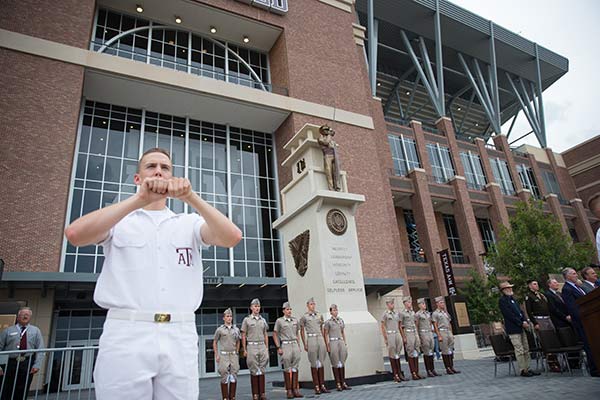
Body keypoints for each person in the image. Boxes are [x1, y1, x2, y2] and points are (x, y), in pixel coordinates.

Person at [64, 147, 242, 399]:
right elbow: (74, 234)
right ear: (138, 178)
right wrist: (140, 199)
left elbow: (232, 236)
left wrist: (191, 197)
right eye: (151, 166)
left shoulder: (188, 223)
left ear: (172, 178)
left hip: (179, 333)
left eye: (165, 167)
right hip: (127, 332)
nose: (159, 170)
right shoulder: (119, 220)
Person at [0, 307, 45, 400]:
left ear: (30, 317)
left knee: (23, 388)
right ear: (18, 317)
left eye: (27, 315)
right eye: (23, 314)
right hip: (10, 363)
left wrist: (37, 365)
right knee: (6, 388)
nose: (25, 316)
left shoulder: (35, 331)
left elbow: (40, 349)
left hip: (27, 362)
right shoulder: (8, 331)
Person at [561, 268, 598, 376]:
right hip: (583, 323)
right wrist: (585, 318)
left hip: (590, 321)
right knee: (589, 345)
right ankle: (594, 369)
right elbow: (573, 308)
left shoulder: (577, 287)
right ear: (567, 276)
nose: (576, 275)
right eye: (573, 274)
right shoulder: (567, 289)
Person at [498, 282, 539, 377]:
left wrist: (525, 320)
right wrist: (521, 323)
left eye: (510, 287)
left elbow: (521, 312)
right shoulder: (503, 301)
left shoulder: (513, 299)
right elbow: (509, 315)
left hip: (522, 327)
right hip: (513, 328)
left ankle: (528, 367)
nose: (510, 289)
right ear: (503, 290)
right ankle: (522, 370)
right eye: (508, 288)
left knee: (526, 348)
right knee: (519, 349)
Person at [524, 280, 559, 372]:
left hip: (548, 318)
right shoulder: (529, 296)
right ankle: (552, 363)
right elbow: (529, 311)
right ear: (529, 286)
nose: (537, 285)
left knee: (552, 340)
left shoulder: (541, 295)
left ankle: (556, 360)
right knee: (546, 341)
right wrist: (535, 323)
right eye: (534, 284)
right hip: (539, 319)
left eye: (537, 284)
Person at [273, 302, 303, 399]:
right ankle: (289, 390)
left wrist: (299, 345)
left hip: (294, 344)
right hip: (285, 344)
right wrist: (278, 347)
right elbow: (275, 334)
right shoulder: (279, 321)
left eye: (290, 309)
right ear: (283, 311)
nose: (289, 311)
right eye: (287, 309)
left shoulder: (295, 320)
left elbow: (297, 333)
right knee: (287, 368)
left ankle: (295, 389)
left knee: (295, 367)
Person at [299, 297, 329, 394]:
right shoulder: (304, 317)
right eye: (311, 304)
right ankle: (316, 385)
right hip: (311, 338)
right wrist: (305, 343)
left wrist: (325, 341)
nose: (313, 306)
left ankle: (322, 385)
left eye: (314, 304)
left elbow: (321, 327)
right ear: (307, 305)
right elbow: (302, 330)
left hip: (320, 337)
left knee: (321, 362)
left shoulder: (319, 315)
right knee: (313, 362)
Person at [242, 299, 270, 400]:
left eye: (258, 306)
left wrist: (266, 348)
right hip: (252, 346)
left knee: (262, 369)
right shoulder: (247, 320)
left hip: (262, 345)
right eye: (255, 306)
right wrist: (244, 349)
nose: (257, 308)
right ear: (251, 308)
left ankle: (262, 393)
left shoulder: (263, 320)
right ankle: (255, 394)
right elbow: (244, 335)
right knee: (254, 370)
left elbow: (265, 334)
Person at [213, 308, 241, 400]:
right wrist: (216, 354)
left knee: (234, 375)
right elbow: (215, 342)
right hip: (224, 355)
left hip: (233, 354)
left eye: (230, 316)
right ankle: (225, 397)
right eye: (227, 316)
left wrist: (237, 352)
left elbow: (238, 341)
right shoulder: (220, 330)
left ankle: (232, 397)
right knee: (224, 375)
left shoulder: (236, 329)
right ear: (223, 318)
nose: (229, 318)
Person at [324, 304, 351, 391]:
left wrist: (345, 342)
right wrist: (327, 344)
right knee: (335, 362)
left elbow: (342, 331)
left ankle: (343, 382)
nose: (335, 311)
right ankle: (338, 383)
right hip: (333, 341)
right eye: (333, 310)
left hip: (340, 340)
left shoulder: (341, 320)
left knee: (342, 361)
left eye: (336, 310)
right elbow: (326, 333)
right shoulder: (328, 322)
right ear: (331, 312)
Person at [379, 297, 406, 383]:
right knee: (392, 354)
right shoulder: (385, 314)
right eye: (391, 303)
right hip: (390, 334)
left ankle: (399, 372)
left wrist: (402, 336)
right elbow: (382, 327)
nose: (392, 305)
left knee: (397, 353)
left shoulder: (396, 314)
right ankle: (395, 374)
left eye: (393, 303)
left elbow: (399, 325)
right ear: (387, 305)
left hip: (397, 333)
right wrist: (385, 338)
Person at [432, 296, 460, 375]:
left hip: (448, 331)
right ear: (437, 304)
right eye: (441, 303)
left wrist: (451, 333)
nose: (442, 304)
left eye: (443, 302)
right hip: (442, 332)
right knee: (445, 350)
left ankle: (452, 366)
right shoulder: (435, 313)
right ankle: (447, 368)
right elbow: (435, 325)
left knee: (450, 350)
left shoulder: (445, 313)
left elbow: (449, 323)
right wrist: (439, 335)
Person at [399, 297, 423, 380]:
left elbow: (416, 323)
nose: (410, 303)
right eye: (408, 302)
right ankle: (413, 372)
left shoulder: (413, 313)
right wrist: (404, 337)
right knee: (410, 352)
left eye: (410, 302)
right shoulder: (402, 313)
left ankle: (417, 372)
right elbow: (400, 326)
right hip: (408, 333)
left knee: (416, 351)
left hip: (414, 332)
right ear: (405, 303)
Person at [415, 298, 439, 377]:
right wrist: (418, 336)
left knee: (431, 351)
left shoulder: (428, 313)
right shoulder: (418, 314)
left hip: (429, 332)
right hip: (423, 333)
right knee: (426, 351)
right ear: (419, 305)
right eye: (422, 304)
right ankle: (428, 370)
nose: (424, 305)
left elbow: (430, 323)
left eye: (424, 303)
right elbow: (417, 325)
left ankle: (432, 369)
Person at [317, 125, 340, 191]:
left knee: (335, 171)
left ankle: (337, 186)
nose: (327, 131)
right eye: (325, 130)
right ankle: (331, 188)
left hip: (334, 155)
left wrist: (331, 133)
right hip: (327, 156)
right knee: (329, 173)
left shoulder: (330, 139)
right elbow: (326, 142)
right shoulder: (320, 139)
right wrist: (330, 134)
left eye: (327, 130)